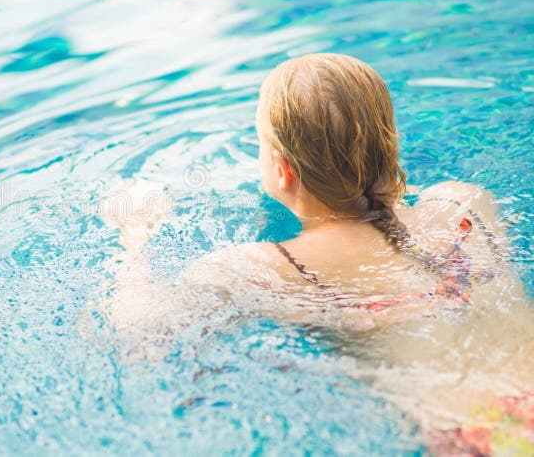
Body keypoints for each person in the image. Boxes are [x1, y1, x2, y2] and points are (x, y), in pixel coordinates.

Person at [100, 54, 534, 454]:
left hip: (484, 433)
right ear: (390, 144)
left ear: (282, 169)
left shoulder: (263, 268)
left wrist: (133, 237)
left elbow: (140, 339)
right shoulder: (465, 205)